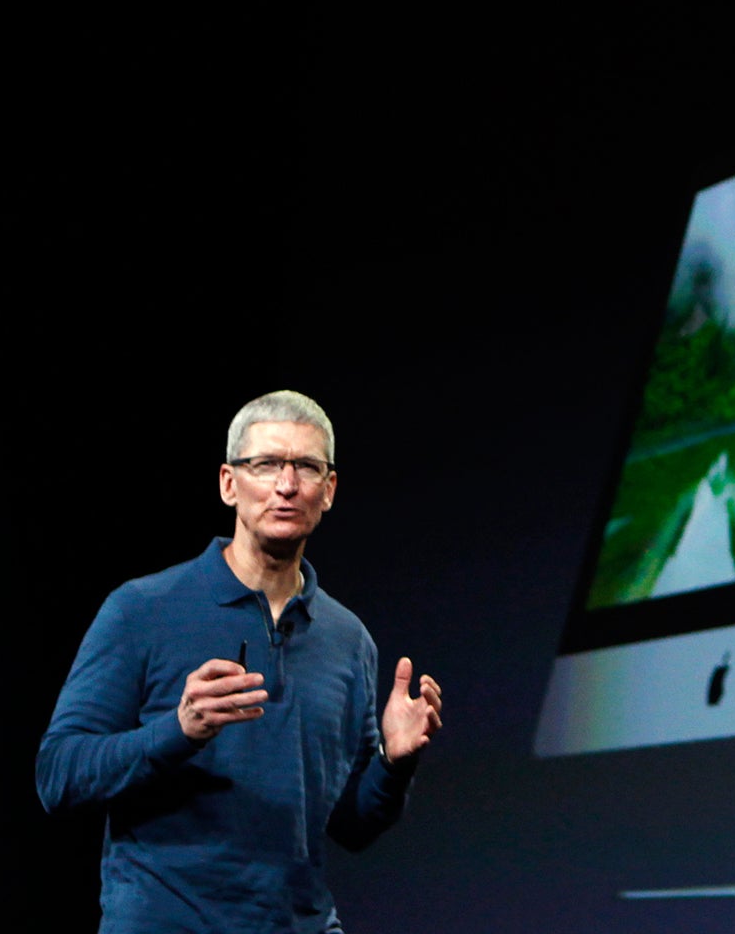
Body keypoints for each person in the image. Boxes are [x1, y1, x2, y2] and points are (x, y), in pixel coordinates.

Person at [37, 391, 444, 932]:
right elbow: (59, 776)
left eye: (306, 467)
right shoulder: (142, 610)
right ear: (230, 483)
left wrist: (393, 765)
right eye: (267, 464)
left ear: (329, 490)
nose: (286, 484)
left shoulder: (349, 641)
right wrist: (178, 731)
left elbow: (351, 825)